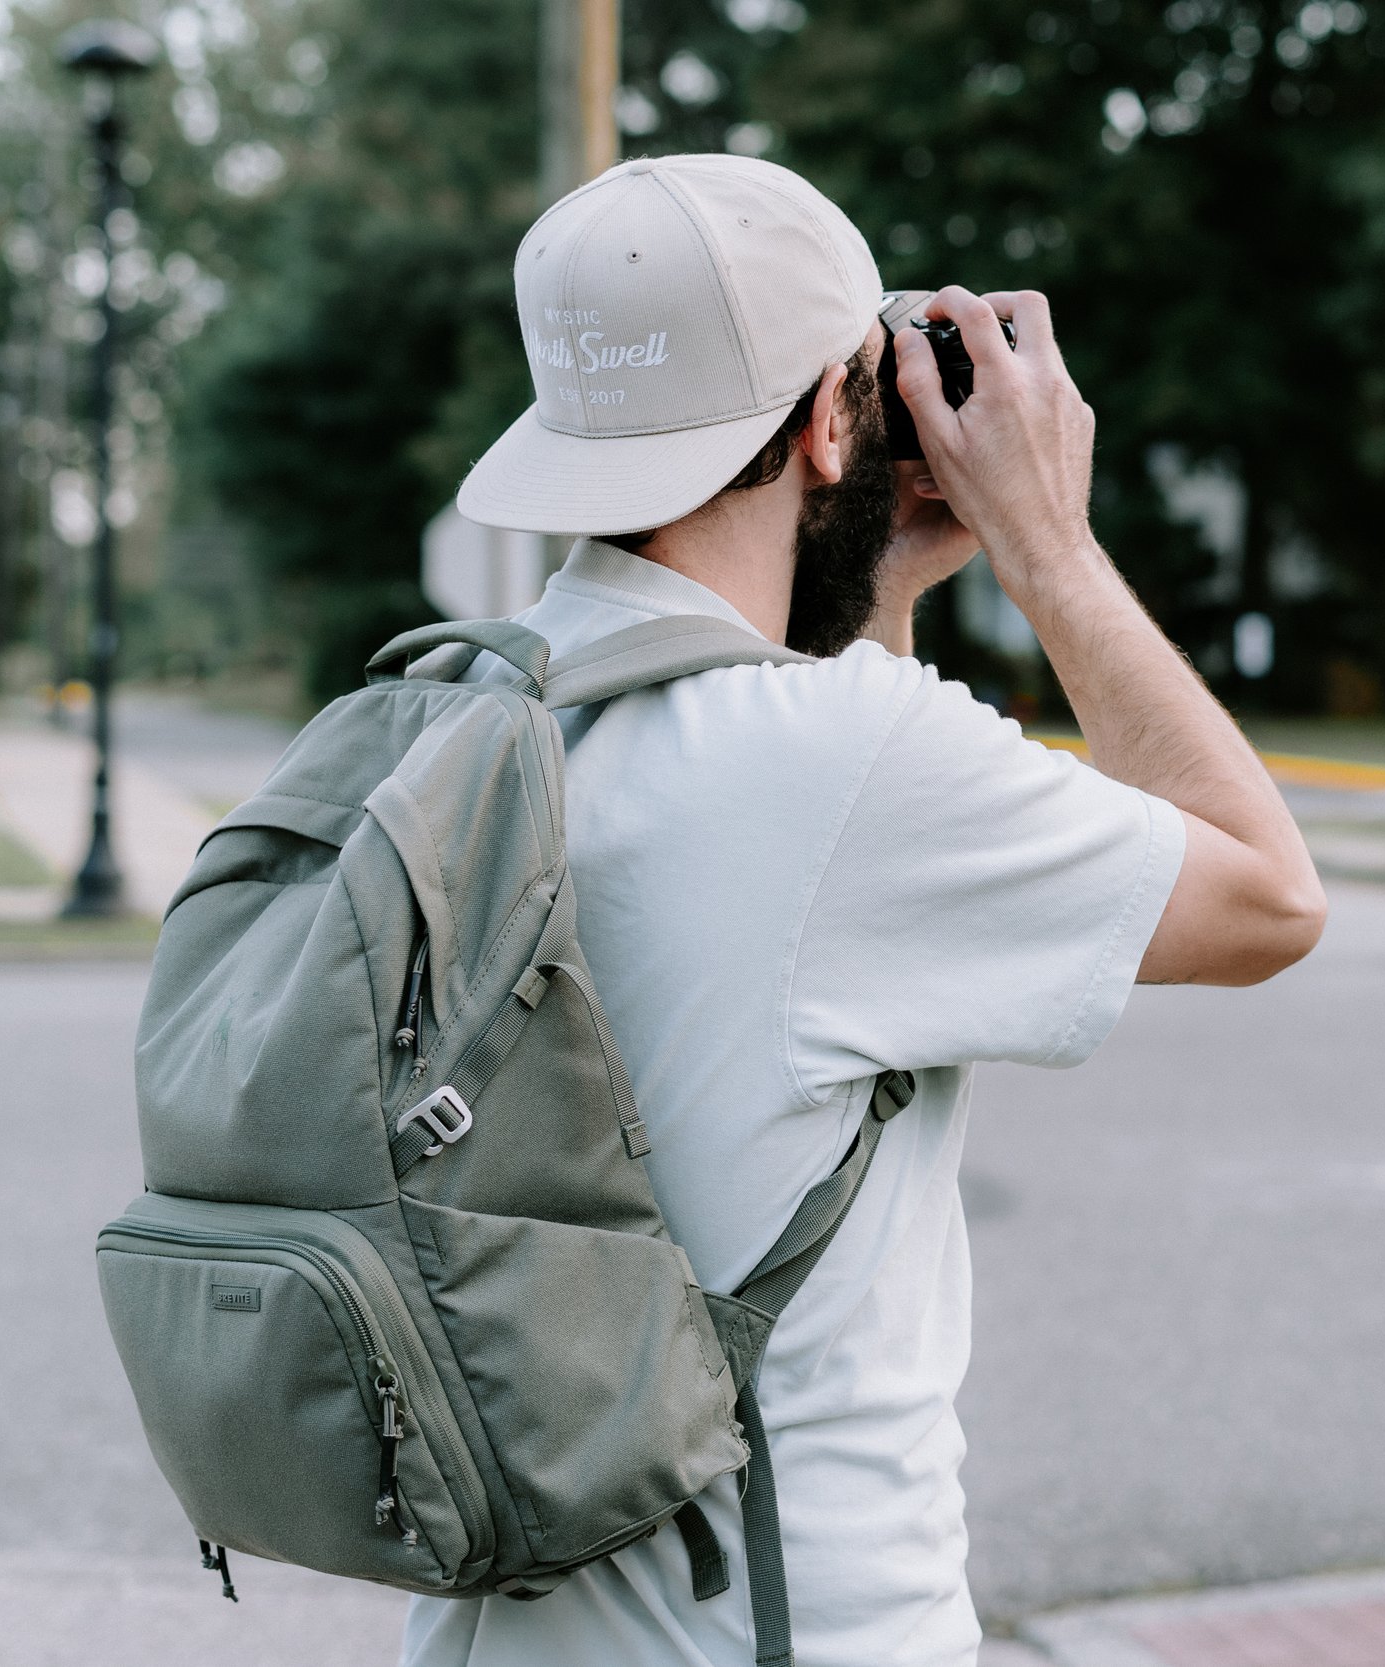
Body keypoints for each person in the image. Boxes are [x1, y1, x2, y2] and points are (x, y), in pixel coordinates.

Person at [403, 153, 1325, 1667]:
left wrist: (870, 588)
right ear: (837, 419)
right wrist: (1046, 541)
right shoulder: (843, 768)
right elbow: (1267, 898)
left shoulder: (462, 710)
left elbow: (800, 881)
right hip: (778, 1634)